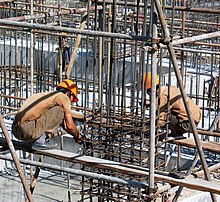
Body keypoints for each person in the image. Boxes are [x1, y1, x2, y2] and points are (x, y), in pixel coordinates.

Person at [12, 79, 83, 147]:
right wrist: (77, 135)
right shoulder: (63, 97)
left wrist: (76, 135)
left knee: (59, 111)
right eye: (72, 98)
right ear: (69, 93)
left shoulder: (45, 96)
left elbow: (65, 125)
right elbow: (69, 125)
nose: (70, 101)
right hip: (28, 130)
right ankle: (39, 140)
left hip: (16, 131)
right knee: (59, 110)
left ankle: (37, 139)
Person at [143, 72, 202, 139]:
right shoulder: (167, 89)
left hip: (187, 124)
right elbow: (167, 104)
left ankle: (176, 133)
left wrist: (148, 128)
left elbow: (161, 119)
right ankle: (177, 131)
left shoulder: (162, 96)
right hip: (194, 119)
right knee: (167, 111)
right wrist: (152, 105)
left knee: (166, 115)